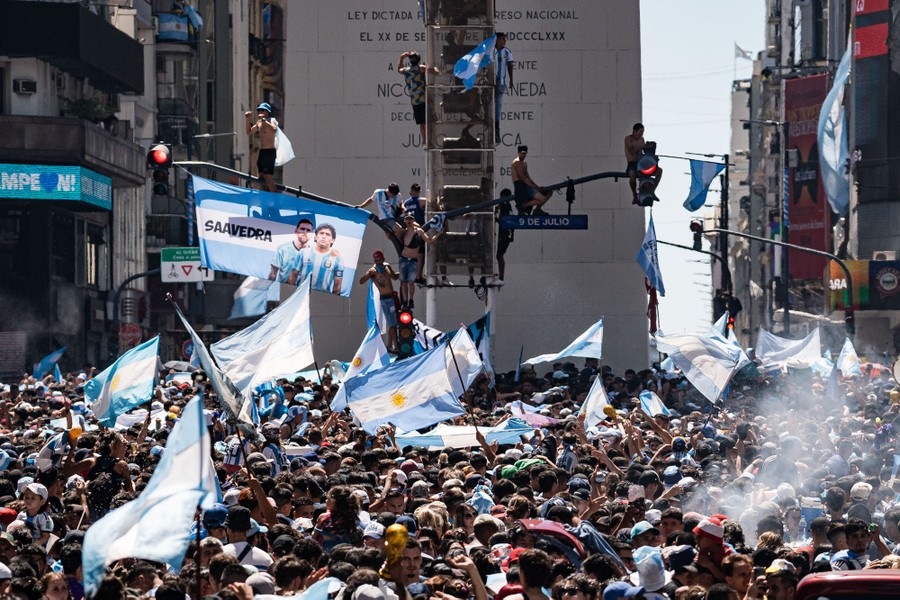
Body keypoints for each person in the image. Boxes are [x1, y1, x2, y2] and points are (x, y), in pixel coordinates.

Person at [397, 212, 441, 309]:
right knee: (403, 282)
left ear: (413, 220)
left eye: (410, 219)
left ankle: (411, 299)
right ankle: (405, 301)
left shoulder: (419, 231)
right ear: (405, 221)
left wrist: (438, 234)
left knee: (411, 282)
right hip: (404, 259)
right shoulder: (404, 232)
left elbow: (429, 241)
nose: (408, 221)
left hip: (413, 260)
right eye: (407, 219)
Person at [358, 251, 400, 352]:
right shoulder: (373, 271)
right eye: (376, 261)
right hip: (384, 300)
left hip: (392, 298)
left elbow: (394, 277)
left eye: (379, 260)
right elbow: (361, 281)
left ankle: (390, 345)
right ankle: (396, 346)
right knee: (392, 324)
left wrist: (402, 274)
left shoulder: (387, 267)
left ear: (383, 259)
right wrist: (368, 275)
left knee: (393, 323)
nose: (378, 262)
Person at [286, 223, 344, 294]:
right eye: (321, 233)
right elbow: (292, 277)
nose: (324, 236)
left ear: (332, 240)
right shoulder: (303, 252)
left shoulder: (338, 259)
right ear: (316, 237)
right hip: (300, 295)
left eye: (327, 234)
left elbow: (337, 286)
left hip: (321, 300)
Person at [398, 52, 438, 148]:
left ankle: (424, 142)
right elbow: (433, 71)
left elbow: (399, 69)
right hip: (423, 99)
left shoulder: (407, 70)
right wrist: (436, 69)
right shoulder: (420, 68)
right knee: (428, 122)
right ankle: (428, 141)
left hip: (415, 100)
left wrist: (401, 57)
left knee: (422, 123)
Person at [625, 122, 663, 205]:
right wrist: (643, 147)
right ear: (635, 131)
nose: (642, 133)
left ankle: (652, 191)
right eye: (641, 131)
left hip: (641, 163)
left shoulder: (641, 139)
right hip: (632, 163)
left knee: (659, 171)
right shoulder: (628, 139)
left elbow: (641, 153)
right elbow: (632, 151)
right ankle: (634, 195)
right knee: (632, 175)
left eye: (643, 132)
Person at [245, 102, 279, 192]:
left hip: (270, 152)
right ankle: (263, 196)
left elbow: (274, 129)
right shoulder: (259, 123)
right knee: (261, 178)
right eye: (259, 110)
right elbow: (249, 132)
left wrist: (265, 120)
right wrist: (247, 119)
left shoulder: (271, 120)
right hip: (262, 152)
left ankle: (275, 198)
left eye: (262, 110)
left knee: (268, 178)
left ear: (267, 112)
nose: (260, 112)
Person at [511, 145, 550, 215]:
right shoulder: (517, 162)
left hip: (526, 186)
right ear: (518, 153)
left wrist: (537, 186)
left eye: (525, 153)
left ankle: (530, 208)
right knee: (542, 199)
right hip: (521, 187)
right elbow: (523, 178)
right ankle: (523, 206)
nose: (523, 155)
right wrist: (534, 187)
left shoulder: (524, 163)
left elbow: (528, 178)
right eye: (522, 153)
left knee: (546, 195)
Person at [402, 184, 428, 284]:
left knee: (412, 254)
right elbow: (430, 202)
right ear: (419, 191)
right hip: (419, 230)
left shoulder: (406, 203)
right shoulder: (421, 201)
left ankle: (412, 274)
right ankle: (418, 276)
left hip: (409, 231)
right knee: (420, 254)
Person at [494, 33, 513, 140]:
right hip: (490, 82)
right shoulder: (491, 51)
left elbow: (510, 66)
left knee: (498, 105)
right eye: (502, 39)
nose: (504, 41)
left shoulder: (507, 52)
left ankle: (496, 127)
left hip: (500, 82)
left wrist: (511, 80)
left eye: (505, 39)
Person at [495, 188, 514, 284]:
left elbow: (505, 221)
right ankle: (500, 277)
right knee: (499, 255)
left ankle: (501, 277)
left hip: (505, 234)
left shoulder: (505, 205)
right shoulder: (507, 205)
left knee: (499, 255)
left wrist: (495, 219)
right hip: (506, 233)